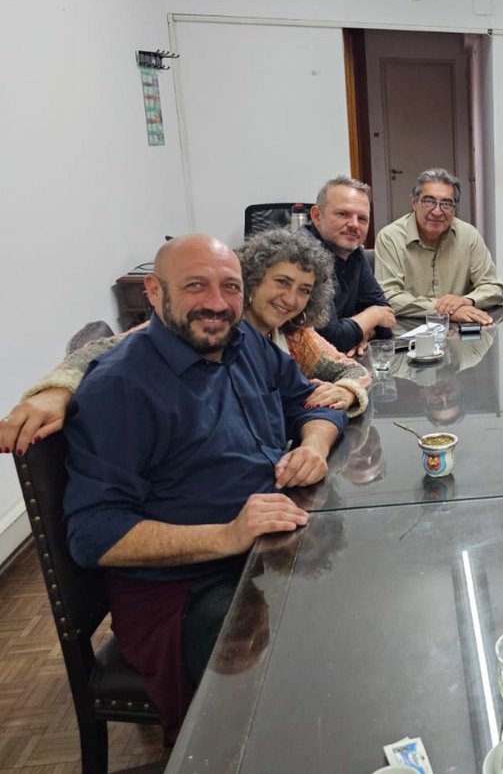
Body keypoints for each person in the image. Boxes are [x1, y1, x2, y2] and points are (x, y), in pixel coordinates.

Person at [62, 234, 347, 738]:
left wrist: (313, 447)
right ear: (154, 291)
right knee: (278, 690)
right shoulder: (121, 387)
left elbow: (314, 403)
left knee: (351, 617)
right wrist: (227, 535)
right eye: (196, 286)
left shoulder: (246, 344)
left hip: (265, 550)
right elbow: (95, 534)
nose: (217, 304)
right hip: (186, 591)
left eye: (230, 287)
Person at [1, 229, 371, 456]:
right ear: (251, 280)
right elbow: (108, 352)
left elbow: (349, 369)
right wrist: (56, 392)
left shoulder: (295, 336)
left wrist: (348, 390)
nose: (290, 299)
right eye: (281, 282)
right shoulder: (209, 329)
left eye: (304, 290)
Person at [374, 168, 503, 324]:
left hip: (459, 335)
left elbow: (494, 287)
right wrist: (444, 310)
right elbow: (389, 296)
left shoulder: (468, 235)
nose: (437, 211)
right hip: (408, 332)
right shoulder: (390, 238)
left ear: (454, 209)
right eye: (429, 201)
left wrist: (467, 301)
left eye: (446, 204)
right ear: (414, 203)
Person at [305, 176, 395, 355]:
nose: (354, 225)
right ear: (316, 216)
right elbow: (330, 338)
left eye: (362, 219)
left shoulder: (354, 253)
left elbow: (388, 320)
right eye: (343, 214)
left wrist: (362, 332)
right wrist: (372, 316)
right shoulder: (305, 255)